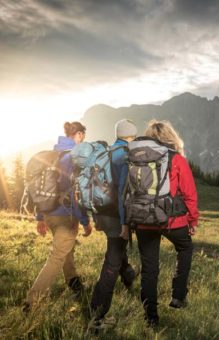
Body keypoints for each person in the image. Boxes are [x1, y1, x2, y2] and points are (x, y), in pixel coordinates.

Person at [135, 119, 199, 327]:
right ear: (170, 137)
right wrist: (192, 220)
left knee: (149, 269)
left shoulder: (137, 159)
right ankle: (178, 296)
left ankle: (150, 318)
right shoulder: (177, 159)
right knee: (185, 247)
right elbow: (189, 194)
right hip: (171, 218)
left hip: (143, 218)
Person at [24, 122, 92, 310]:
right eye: (82, 137)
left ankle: (72, 280)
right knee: (57, 256)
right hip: (65, 215)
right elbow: (76, 194)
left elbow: (43, 188)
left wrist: (40, 217)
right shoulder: (73, 158)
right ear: (78, 134)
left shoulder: (52, 155)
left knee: (65, 248)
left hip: (49, 214)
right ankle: (32, 300)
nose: (82, 141)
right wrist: (85, 222)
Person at [88, 119, 139, 330]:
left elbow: (90, 186)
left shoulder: (104, 153)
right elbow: (123, 193)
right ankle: (97, 316)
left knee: (116, 250)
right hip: (117, 216)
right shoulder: (125, 156)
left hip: (101, 212)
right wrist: (125, 223)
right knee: (112, 260)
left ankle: (128, 277)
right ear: (131, 137)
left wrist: (94, 217)